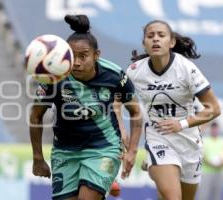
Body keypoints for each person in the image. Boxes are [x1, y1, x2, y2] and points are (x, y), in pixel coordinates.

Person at [29, 14, 142, 200]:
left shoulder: (114, 75)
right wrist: (38, 158)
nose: (78, 62)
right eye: (73, 56)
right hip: (65, 150)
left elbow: (136, 112)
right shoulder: (53, 76)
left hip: (104, 147)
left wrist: (132, 151)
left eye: (84, 56)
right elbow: (35, 116)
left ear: (96, 55)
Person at [125, 20, 221, 200]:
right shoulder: (134, 71)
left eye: (161, 35)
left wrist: (181, 124)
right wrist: (130, 148)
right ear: (144, 43)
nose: (155, 39)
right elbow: (121, 104)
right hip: (158, 138)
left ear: (171, 42)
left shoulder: (186, 68)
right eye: (150, 36)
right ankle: (154, 162)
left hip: (189, 142)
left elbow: (213, 108)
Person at [197, 121, 223, 200]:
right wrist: (210, 163)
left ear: (219, 129)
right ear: (210, 129)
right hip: (206, 173)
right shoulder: (205, 140)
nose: (215, 130)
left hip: (219, 172)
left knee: (217, 196)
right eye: (213, 129)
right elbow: (201, 155)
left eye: (216, 129)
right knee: (203, 195)